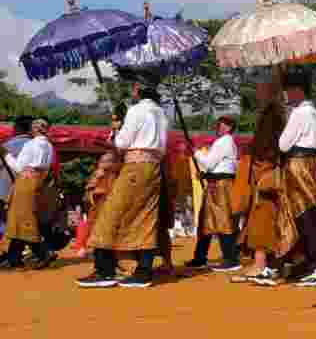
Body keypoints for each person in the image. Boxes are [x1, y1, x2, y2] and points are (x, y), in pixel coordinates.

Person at [78, 82, 169, 289]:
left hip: (134, 167)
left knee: (108, 216)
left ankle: (104, 271)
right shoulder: (161, 113)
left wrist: (108, 143)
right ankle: (144, 271)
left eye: (133, 88)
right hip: (153, 169)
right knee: (146, 217)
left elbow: (122, 144)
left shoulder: (136, 110)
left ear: (138, 89)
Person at [276, 71, 316, 287]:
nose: (286, 94)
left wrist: (288, 119)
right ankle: (313, 264)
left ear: (297, 90)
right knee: (309, 212)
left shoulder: (299, 113)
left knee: (302, 214)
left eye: (288, 90)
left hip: (297, 163)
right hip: (311, 162)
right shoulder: (313, 111)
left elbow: (283, 144)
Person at [237, 78, 287, 284]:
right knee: (258, 214)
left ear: (270, 93)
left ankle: (261, 263)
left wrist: (264, 163)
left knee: (263, 214)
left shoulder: (274, 115)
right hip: (261, 167)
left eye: (261, 90)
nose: (257, 95)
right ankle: (263, 262)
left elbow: (273, 145)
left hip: (267, 170)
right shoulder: (269, 114)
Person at [185, 116, 241, 272]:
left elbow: (209, 163)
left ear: (229, 127)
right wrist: (206, 175)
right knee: (205, 222)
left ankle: (231, 259)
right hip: (216, 183)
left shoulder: (224, 142)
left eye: (222, 125)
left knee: (223, 222)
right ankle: (200, 257)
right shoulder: (226, 142)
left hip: (221, 186)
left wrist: (195, 152)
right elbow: (216, 167)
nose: (218, 127)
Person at [1, 118, 57, 270]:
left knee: (23, 219)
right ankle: (14, 258)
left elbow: (18, 167)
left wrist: (5, 153)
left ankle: (43, 252)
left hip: (25, 183)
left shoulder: (31, 144)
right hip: (39, 183)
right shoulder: (49, 146)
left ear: (35, 129)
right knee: (20, 220)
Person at [0, 116, 33, 244]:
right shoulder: (42, 147)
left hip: (4, 192)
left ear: (16, 129)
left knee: (5, 222)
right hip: (30, 192)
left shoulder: (6, 146)